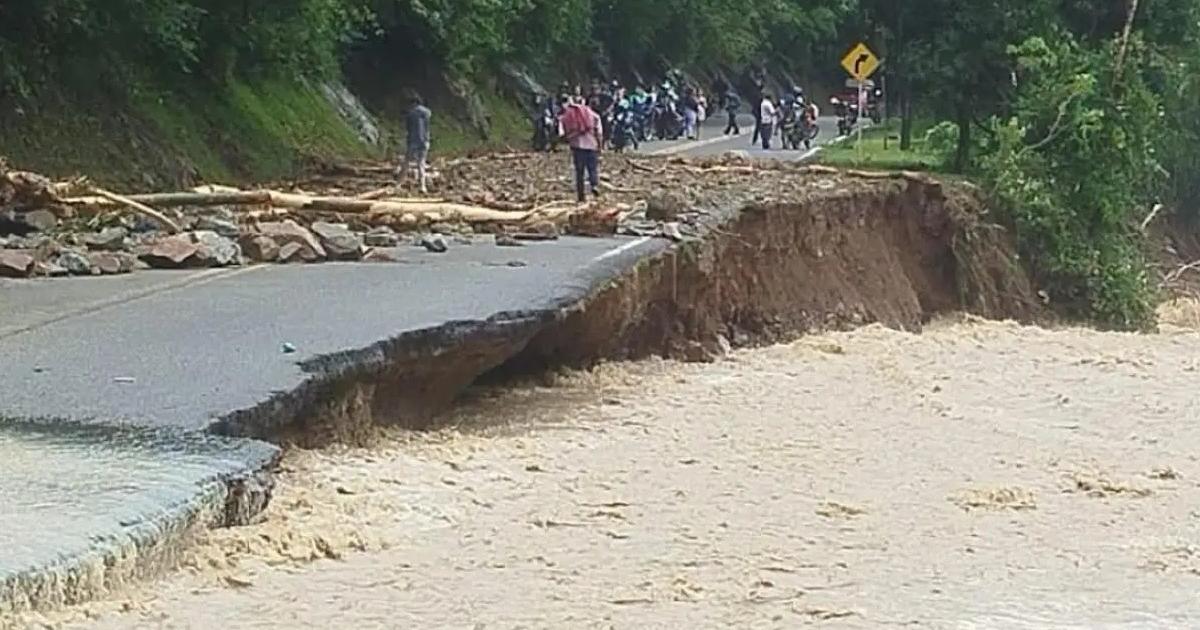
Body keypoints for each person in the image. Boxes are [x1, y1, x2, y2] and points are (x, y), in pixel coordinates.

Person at [559, 96, 603, 203]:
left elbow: (562, 132)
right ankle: (594, 184)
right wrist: (600, 146)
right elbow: (599, 133)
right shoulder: (593, 115)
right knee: (592, 168)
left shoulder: (568, 115)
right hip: (591, 145)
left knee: (579, 172)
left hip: (577, 147)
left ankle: (581, 196)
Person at [399, 92, 432, 193]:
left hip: (413, 141)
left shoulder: (411, 113)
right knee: (421, 164)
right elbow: (427, 126)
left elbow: (408, 129)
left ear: (412, 103)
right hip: (424, 141)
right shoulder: (427, 112)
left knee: (406, 163)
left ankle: (399, 183)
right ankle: (422, 186)